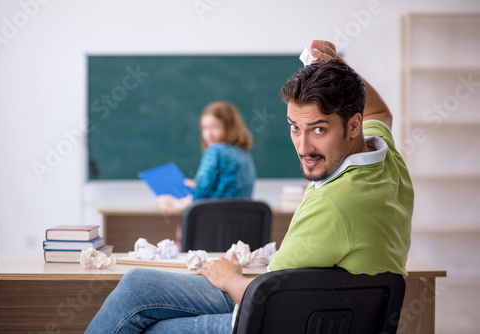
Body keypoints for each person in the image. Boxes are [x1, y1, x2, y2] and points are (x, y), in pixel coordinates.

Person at [85, 40, 414, 333]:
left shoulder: (332, 202)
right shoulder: (384, 156)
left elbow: (272, 301)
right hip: (321, 307)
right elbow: (379, 110)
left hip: (279, 318)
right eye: (294, 127)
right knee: (137, 284)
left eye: (318, 129)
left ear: (353, 125)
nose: (302, 146)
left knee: (150, 319)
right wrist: (340, 69)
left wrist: (227, 278)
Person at [156, 101, 256, 213]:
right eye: (204, 128)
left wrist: (175, 203)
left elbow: (200, 196)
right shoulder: (244, 154)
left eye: (215, 127)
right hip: (240, 223)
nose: (208, 134)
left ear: (229, 127)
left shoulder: (216, 150)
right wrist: (197, 185)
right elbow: (226, 189)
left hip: (214, 220)